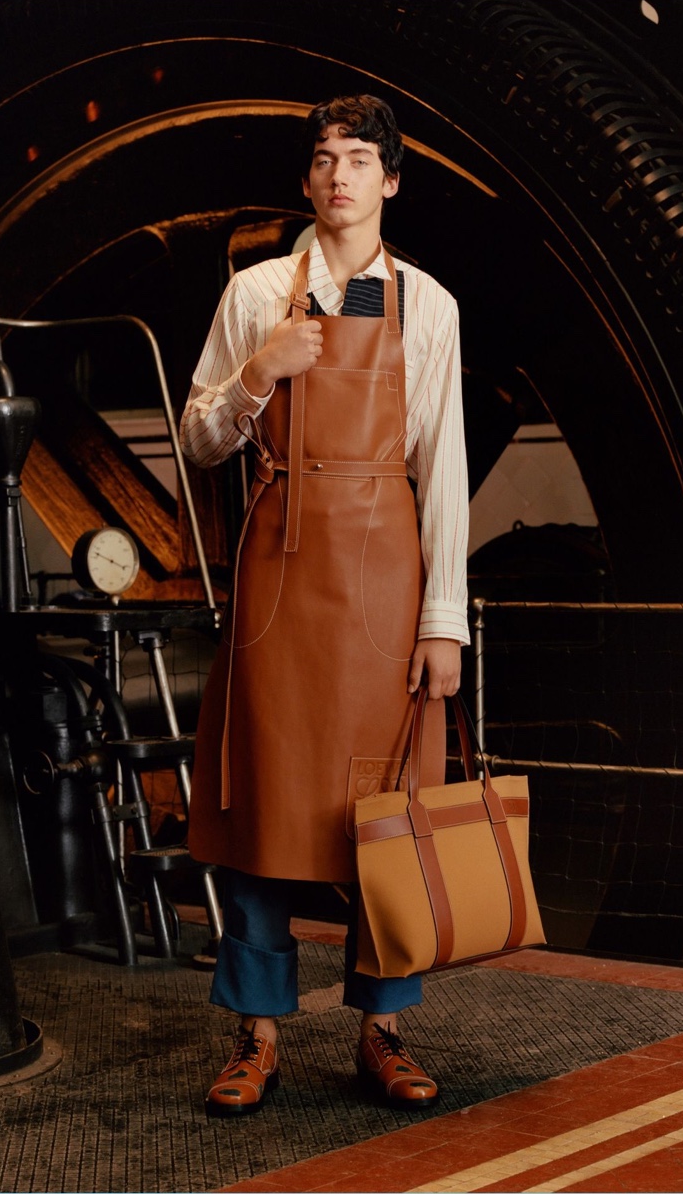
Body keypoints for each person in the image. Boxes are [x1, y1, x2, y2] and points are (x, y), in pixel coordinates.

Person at [180, 94, 469, 1118]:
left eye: (358, 158)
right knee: (261, 810)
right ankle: (254, 1037)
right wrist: (258, 374)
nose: (338, 174)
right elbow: (197, 439)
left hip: (384, 584)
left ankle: (381, 1034)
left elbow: (440, 470)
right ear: (306, 181)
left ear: (390, 180)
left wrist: (444, 622)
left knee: (382, 814)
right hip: (277, 574)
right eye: (321, 158)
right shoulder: (257, 292)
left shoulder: (427, 305)